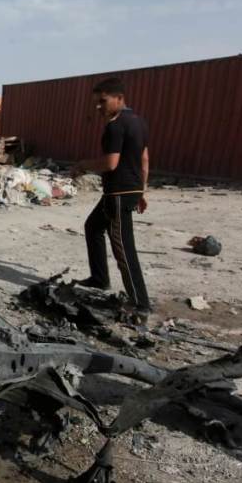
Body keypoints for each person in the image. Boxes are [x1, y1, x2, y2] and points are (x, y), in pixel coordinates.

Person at [72, 78, 151, 321]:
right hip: (127, 191)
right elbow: (145, 158)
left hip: (117, 193)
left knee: (123, 247)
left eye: (103, 101)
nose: (98, 106)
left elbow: (110, 163)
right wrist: (142, 190)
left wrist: (82, 166)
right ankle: (99, 279)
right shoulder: (138, 122)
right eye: (96, 102)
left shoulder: (115, 126)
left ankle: (140, 303)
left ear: (119, 98)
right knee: (93, 227)